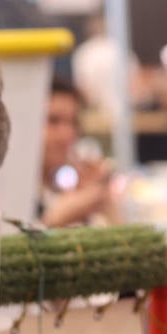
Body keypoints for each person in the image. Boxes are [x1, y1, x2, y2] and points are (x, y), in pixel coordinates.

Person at [39, 77, 120, 228]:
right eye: (53, 121)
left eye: (73, 122)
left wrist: (103, 198)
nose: (67, 134)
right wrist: (52, 221)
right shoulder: (11, 191)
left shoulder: (66, 185)